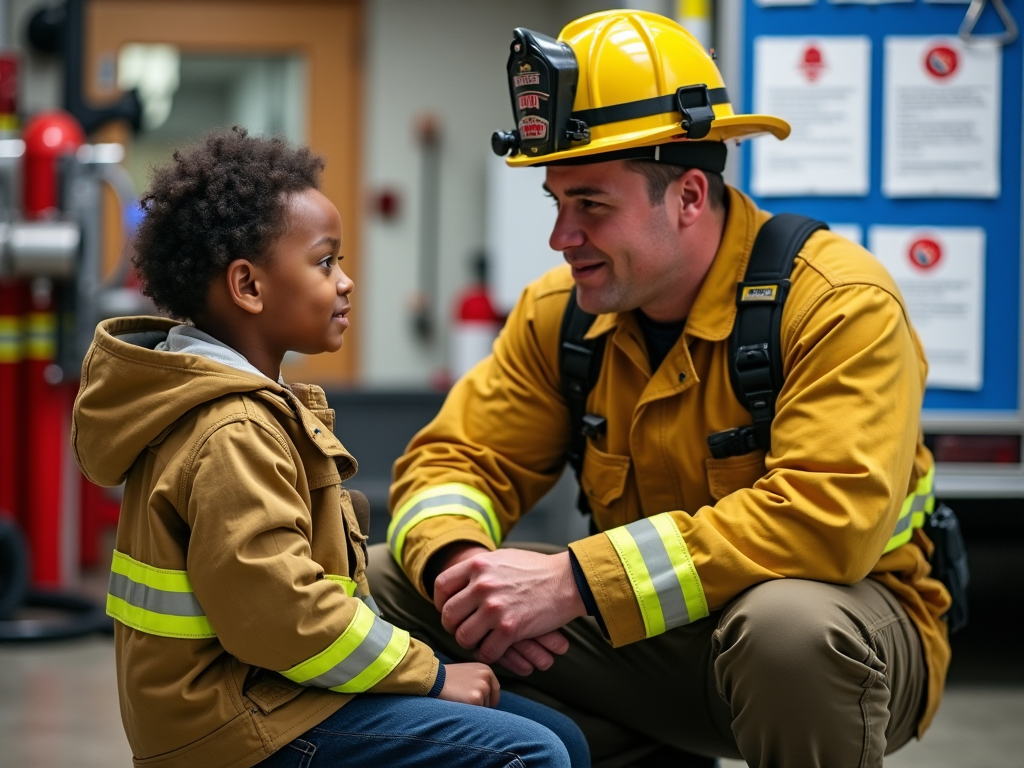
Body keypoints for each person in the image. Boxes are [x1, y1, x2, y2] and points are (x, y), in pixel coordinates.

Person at [367, 10, 951, 768]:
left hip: (845, 641)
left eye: (592, 206)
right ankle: (614, 751)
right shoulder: (560, 315)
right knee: (391, 579)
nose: (560, 237)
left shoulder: (837, 301)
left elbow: (827, 519)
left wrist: (574, 582)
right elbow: (453, 462)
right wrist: (466, 572)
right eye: (557, 203)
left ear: (689, 197)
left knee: (786, 630)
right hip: (655, 634)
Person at [72, 128, 588, 768]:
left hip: (270, 692)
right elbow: (279, 614)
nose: (345, 282)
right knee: (530, 753)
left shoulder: (249, 404)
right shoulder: (233, 429)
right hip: (236, 726)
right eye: (325, 262)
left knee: (563, 738)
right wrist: (429, 675)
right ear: (248, 286)